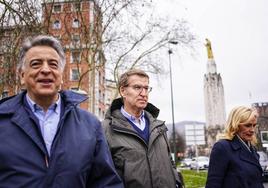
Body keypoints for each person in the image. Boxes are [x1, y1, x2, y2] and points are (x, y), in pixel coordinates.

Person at [0, 35, 123, 188]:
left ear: (61, 76)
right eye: (36, 64)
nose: (45, 70)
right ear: (22, 76)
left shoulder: (90, 126)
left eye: (53, 64)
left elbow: (106, 183)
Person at [102, 69, 183, 188]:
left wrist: (176, 181)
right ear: (123, 91)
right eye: (137, 87)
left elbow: (170, 162)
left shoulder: (159, 128)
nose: (144, 93)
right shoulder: (105, 129)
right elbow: (102, 175)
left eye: (146, 88)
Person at [206, 106, 264, 188]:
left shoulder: (252, 148)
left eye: (254, 125)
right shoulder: (222, 147)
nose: (252, 130)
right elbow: (213, 184)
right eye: (247, 125)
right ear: (235, 125)